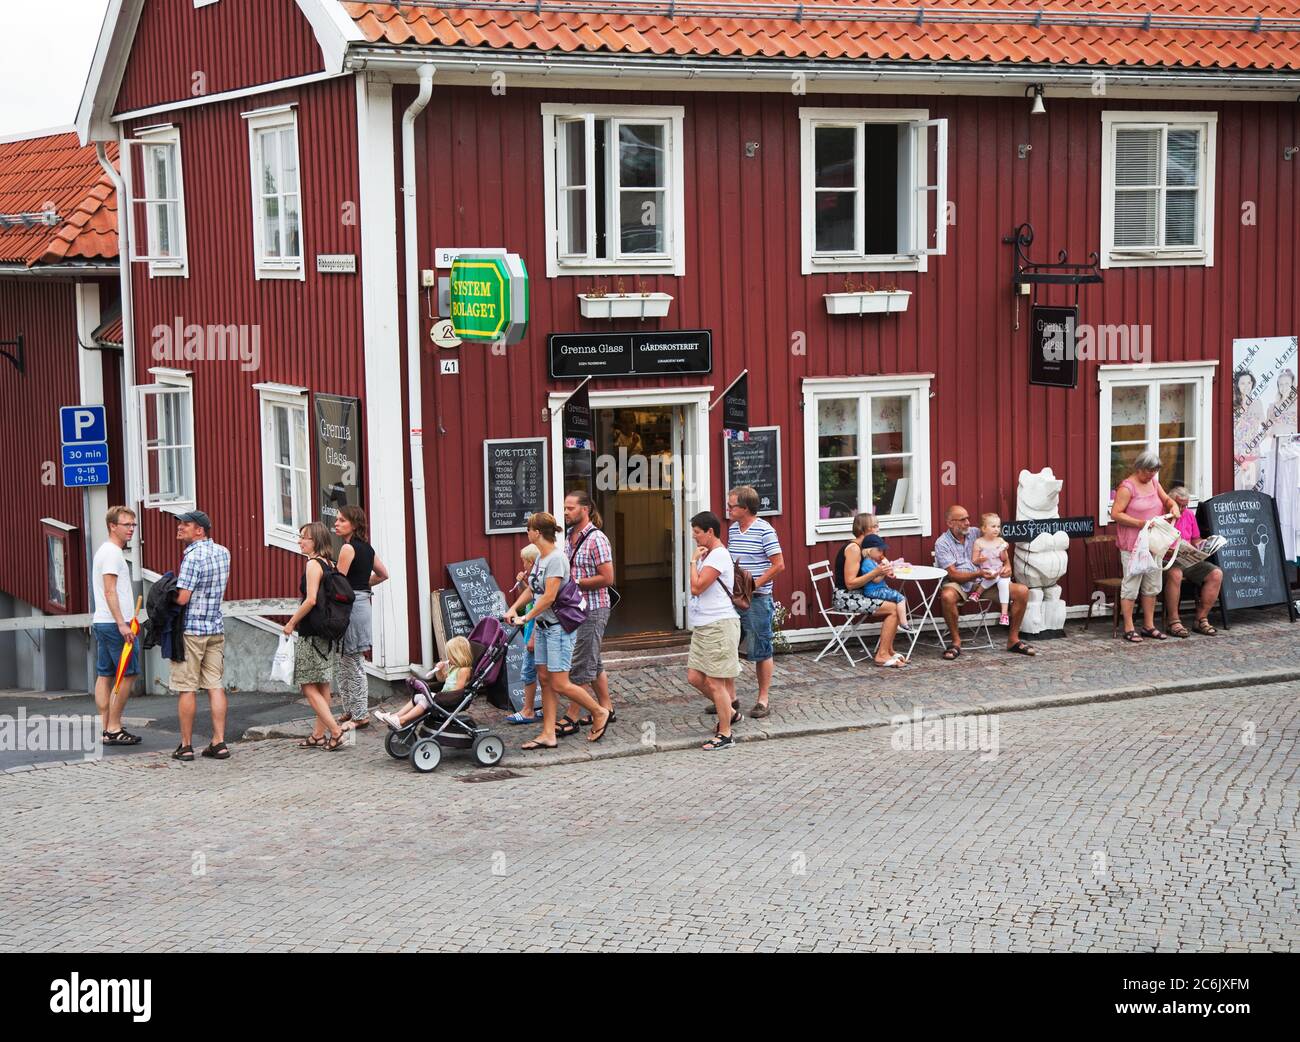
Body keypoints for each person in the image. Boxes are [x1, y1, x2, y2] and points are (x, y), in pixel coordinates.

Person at [505, 512, 610, 750]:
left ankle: (599, 711)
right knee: (545, 680)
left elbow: (550, 596)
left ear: (538, 533)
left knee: (560, 683)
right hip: (543, 628)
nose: (527, 532)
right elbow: (533, 590)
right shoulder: (541, 558)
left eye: (529, 529)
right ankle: (548, 733)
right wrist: (513, 607)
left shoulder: (556, 559)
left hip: (558, 629)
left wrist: (525, 617)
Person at [171, 510, 233, 761]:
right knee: (214, 685)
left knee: (187, 688)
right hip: (215, 627)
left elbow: (183, 597)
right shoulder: (224, 552)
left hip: (192, 630)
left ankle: (185, 745)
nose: (180, 528)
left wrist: (166, 596)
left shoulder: (192, 557)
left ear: (200, 530)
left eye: (186, 525)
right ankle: (219, 742)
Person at [935, 505, 1035, 659]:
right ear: (950, 523)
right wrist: (979, 573)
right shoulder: (942, 543)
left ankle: (1013, 640)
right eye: (962, 520)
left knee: (1022, 591)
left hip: (987, 580)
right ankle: (956, 642)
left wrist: (1007, 566)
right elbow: (953, 575)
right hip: (960, 582)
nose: (968, 522)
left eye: (968, 518)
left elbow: (1001, 551)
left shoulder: (976, 533)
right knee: (947, 595)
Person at [283, 522, 349, 751]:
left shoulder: (313, 564)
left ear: (316, 541)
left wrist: (291, 622)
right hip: (327, 631)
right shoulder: (329, 563)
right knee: (323, 687)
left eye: (304, 538)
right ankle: (318, 735)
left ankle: (336, 730)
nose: (300, 541)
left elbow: (310, 600)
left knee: (308, 686)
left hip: (312, 631)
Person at [725, 485, 784, 717]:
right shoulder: (732, 529)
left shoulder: (764, 531)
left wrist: (753, 586)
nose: (728, 509)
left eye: (732, 506)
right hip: (734, 598)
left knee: (762, 648)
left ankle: (763, 699)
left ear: (745, 508)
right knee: (728, 645)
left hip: (757, 599)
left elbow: (779, 564)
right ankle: (730, 698)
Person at [1110, 451, 1181, 644]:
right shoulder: (1127, 487)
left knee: (1152, 585)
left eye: (1155, 471)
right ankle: (1129, 627)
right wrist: (1140, 523)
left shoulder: (1154, 483)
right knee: (1131, 585)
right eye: (1149, 471)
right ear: (1139, 468)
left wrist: (1173, 505)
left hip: (1154, 543)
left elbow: (1166, 500)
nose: (1152, 474)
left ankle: (1149, 626)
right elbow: (1116, 514)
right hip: (1133, 545)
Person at [685, 511, 741, 751]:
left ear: (710, 532)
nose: (695, 537)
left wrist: (692, 562)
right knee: (695, 677)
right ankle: (729, 711)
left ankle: (726, 733)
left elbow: (697, 587)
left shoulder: (718, 555)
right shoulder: (711, 555)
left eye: (697, 533)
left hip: (719, 624)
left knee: (716, 682)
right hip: (705, 624)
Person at [560, 490, 615, 734]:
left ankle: (573, 715)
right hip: (574, 609)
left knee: (581, 662)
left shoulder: (596, 539)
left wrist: (576, 582)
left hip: (593, 607)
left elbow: (608, 578)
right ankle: (607, 707)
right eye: (565, 508)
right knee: (595, 661)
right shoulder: (568, 537)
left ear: (585, 510)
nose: (565, 512)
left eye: (570, 508)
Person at [334, 505, 388, 730]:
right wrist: (363, 584)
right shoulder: (367, 548)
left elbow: (338, 581)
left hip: (351, 607)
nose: (336, 523)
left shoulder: (347, 549)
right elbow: (383, 574)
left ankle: (359, 714)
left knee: (352, 660)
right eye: (337, 520)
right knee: (346, 659)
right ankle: (350, 709)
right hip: (363, 602)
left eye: (341, 520)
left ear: (353, 525)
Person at [91, 506, 142, 746]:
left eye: (133, 525)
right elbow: (110, 589)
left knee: (105, 675)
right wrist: (122, 624)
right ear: (113, 526)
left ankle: (106, 726)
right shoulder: (112, 553)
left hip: (103, 621)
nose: (131, 529)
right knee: (128, 674)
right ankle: (113, 727)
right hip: (114, 624)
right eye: (126, 525)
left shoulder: (104, 551)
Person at [831, 513, 908, 668]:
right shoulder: (853, 549)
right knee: (893, 609)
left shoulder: (866, 549)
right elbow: (850, 583)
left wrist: (883, 571)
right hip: (846, 597)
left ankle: (889, 650)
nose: (878, 529)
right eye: (875, 526)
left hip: (857, 594)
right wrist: (876, 572)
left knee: (895, 603)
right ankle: (881, 655)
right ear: (865, 529)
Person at [1162, 485, 1223, 637]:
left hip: (1187, 559)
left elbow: (1195, 539)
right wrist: (1170, 550)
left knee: (1216, 573)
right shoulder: (1161, 515)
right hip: (1166, 560)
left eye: (1185, 505)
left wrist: (1204, 545)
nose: (1182, 509)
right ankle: (1173, 621)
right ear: (1170, 501)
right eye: (1179, 505)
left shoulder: (1189, 515)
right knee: (1175, 574)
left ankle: (1201, 619)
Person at [375, 636, 474, 729]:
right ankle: (394, 716)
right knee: (417, 696)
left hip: (450, 699)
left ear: (458, 656)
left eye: (450, 656)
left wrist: (441, 695)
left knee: (425, 700)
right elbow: (441, 679)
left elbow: (458, 690)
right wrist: (439, 670)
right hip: (444, 697)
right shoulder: (454, 668)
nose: (448, 658)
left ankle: (402, 720)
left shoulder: (464, 670)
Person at [504, 543, 541, 725]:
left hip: (533, 633)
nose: (523, 566)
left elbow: (538, 607)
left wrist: (532, 637)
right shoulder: (536, 579)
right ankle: (541, 708)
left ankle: (528, 710)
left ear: (531, 562)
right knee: (540, 673)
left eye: (525, 562)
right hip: (531, 631)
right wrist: (522, 584)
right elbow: (529, 596)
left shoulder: (542, 580)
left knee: (528, 672)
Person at [972, 512, 1013, 626]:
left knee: (1004, 584)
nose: (996, 529)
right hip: (987, 571)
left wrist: (1004, 550)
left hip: (1000, 570)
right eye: (993, 526)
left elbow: (1004, 559)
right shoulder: (979, 542)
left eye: (998, 527)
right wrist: (980, 559)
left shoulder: (1000, 541)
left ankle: (1004, 615)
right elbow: (974, 560)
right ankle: (978, 593)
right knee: (993, 575)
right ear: (984, 529)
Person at [1233, 369, 1265, 489]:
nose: (1246, 386)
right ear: (1237, 385)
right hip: (1236, 453)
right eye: (1242, 383)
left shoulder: (1257, 403)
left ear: (1252, 384)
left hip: (1253, 452)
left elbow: (1265, 426)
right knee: (1237, 489)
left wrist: (1257, 440)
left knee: (1251, 490)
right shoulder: (1232, 404)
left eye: (1249, 383)